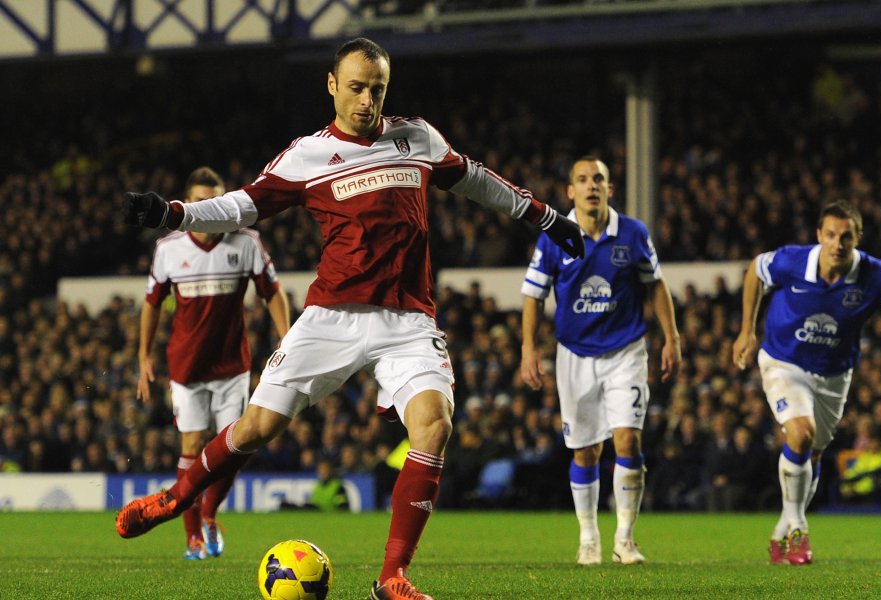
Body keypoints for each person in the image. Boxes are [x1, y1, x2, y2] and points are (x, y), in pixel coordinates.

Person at [116, 37, 583, 600]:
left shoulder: (417, 139)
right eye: (357, 88)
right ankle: (176, 499)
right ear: (333, 86)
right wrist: (175, 212)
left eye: (378, 89)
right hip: (330, 316)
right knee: (258, 428)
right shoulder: (307, 155)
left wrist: (547, 216)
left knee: (434, 423)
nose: (368, 101)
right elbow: (243, 203)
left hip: (407, 320)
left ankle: (392, 578)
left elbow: (479, 180)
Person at [732, 199, 881, 566]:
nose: (837, 244)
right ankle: (798, 531)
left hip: (833, 375)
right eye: (830, 235)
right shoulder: (792, 261)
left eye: (846, 236)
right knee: (800, 432)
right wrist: (747, 330)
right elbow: (755, 271)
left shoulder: (875, 275)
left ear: (857, 238)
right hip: (783, 361)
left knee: (811, 455)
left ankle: (783, 529)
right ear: (819, 236)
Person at [520, 156, 681, 566]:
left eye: (600, 179)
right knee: (585, 451)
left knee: (628, 439)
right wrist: (527, 348)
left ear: (610, 188)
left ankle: (625, 539)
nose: (592, 185)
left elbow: (656, 284)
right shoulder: (555, 235)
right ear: (570, 191)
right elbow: (533, 296)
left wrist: (672, 337)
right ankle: (589, 536)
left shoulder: (632, 233)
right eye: (583, 180)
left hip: (626, 350)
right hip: (574, 354)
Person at [137, 166, 291, 560]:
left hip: (232, 364)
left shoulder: (246, 243)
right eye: (202, 200)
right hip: (186, 367)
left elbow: (273, 293)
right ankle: (192, 537)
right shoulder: (169, 248)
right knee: (191, 445)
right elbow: (152, 304)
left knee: (235, 446)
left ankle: (208, 512)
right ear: (188, 204)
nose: (211, 207)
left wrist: (287, 339)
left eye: (216, 199)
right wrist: (143, 356)